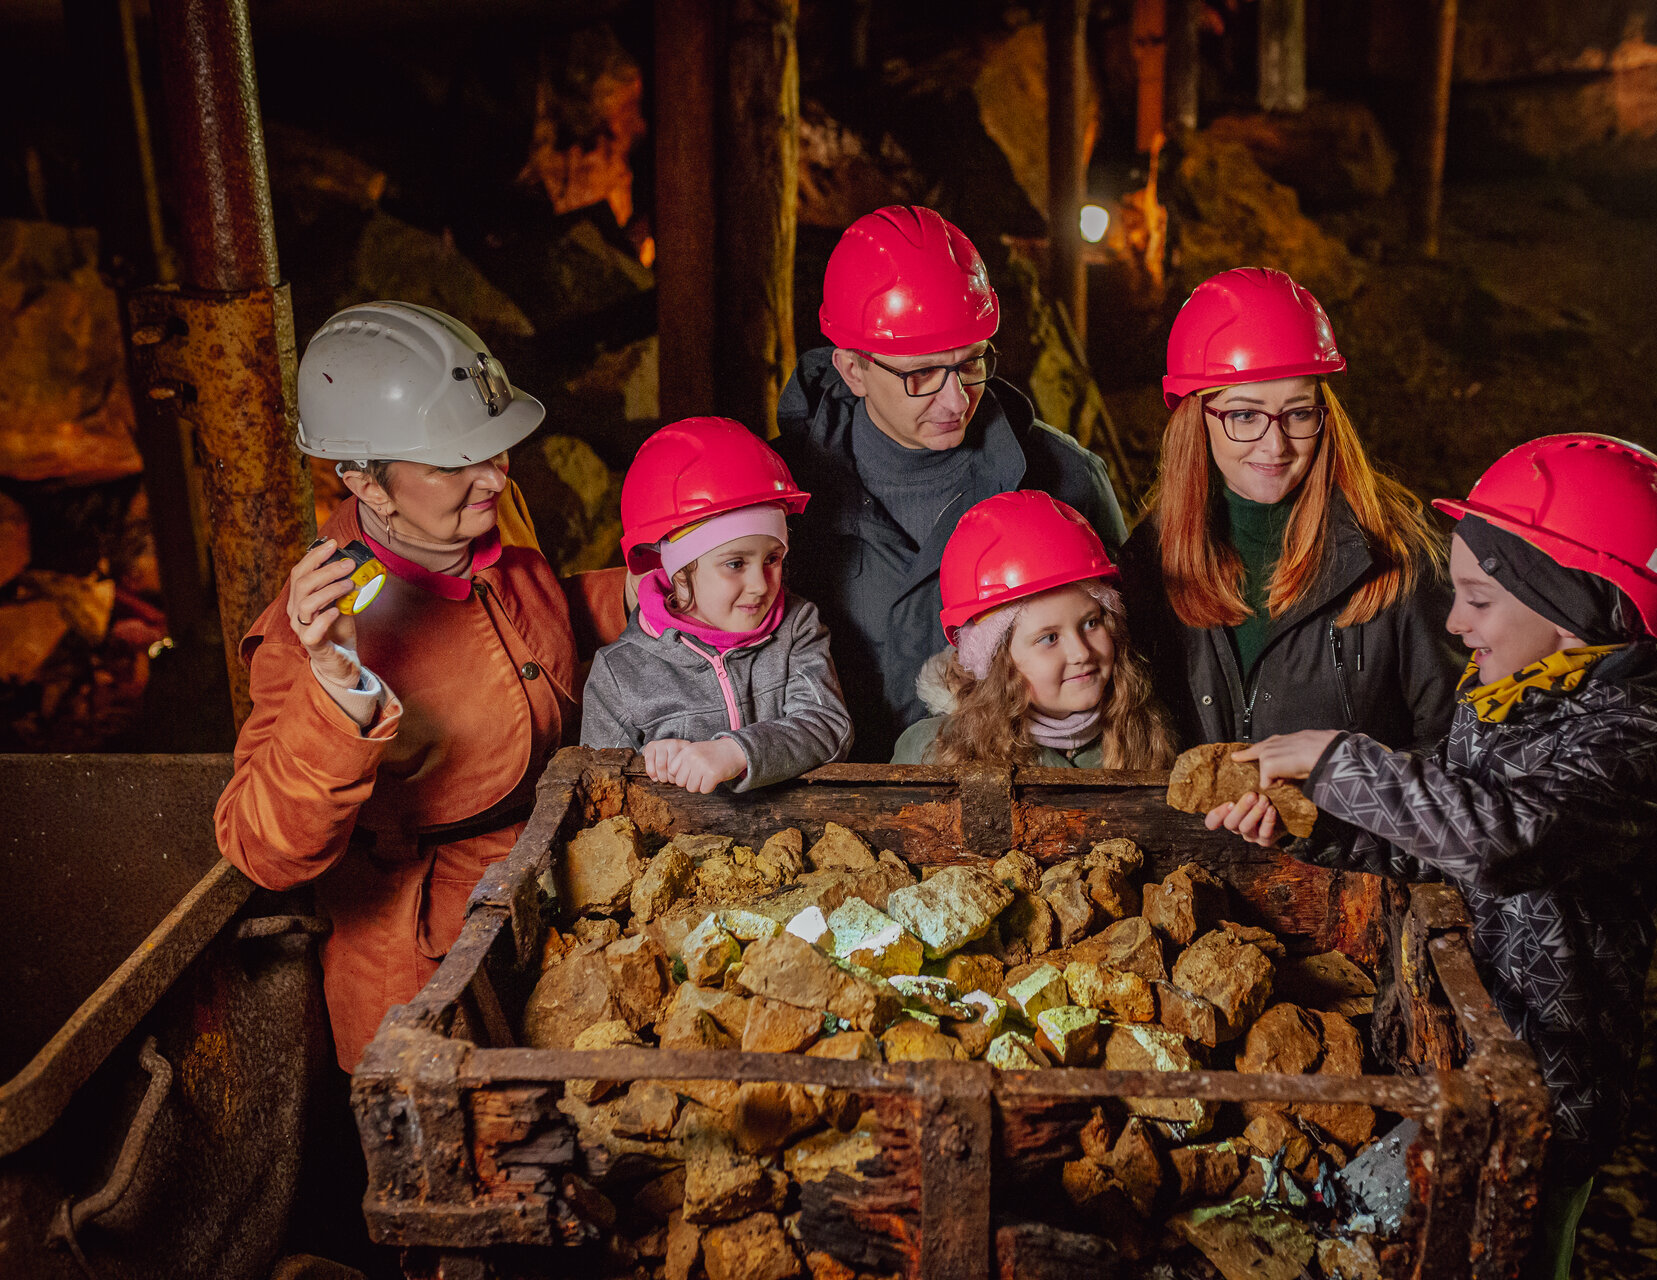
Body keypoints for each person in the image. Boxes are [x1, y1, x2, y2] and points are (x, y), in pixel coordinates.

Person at [1208, 434, 1657, 1280]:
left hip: (1546, 1094)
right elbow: (1436, 844)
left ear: (1567, 605)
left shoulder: (1634, 735)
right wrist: (1311, 824)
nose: (1454, 623)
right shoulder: (1507, 696)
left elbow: (1502, 839)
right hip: (1454, 1057)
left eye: (1478, 600)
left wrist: (1342, 758)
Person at [214, 302, 628, 1071]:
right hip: (425, 960)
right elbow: (259, 846)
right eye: (453, 462)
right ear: (364, 483)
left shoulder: (476, 508)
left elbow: (526, 626)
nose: (495, 475)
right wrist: (336, 686)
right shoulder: (316, 629)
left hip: (544, 881)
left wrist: (633, 598)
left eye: (496, 447)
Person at [776, 205, 1127, 760]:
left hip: (1012, 823)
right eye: (921, 374)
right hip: (817, 824)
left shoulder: (1064, 481)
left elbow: (1128, 674)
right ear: (852, 370)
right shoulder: (778, 499)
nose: (955, 400)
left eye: (969, 364)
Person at [1119, 267, 1461, 753]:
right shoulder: (1147, 564)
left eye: (1299, 412)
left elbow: (1456, 755)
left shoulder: (1397, 557)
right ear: (1197, 419)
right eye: (1244, 415)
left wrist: (1338, 802)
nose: (1275, 444)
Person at [580, 417, 853, 790]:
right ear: (678, 570)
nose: (760, 585)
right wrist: (646, 768)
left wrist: (735, 752)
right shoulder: (619, 674)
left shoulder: (797, 627)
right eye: (735, 564)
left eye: (773, 559)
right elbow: (602, 795)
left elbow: (826, 726)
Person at [892, 490, 1174, 769]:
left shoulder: (1144, 733)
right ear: (996, 660)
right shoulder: (932, 753)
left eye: (1091, 623)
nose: (1080, 653)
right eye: (1049, 638)